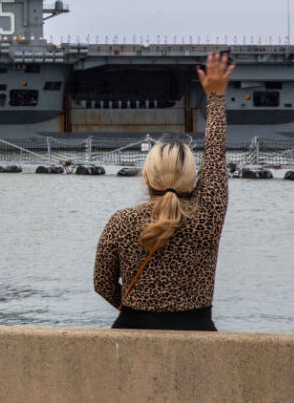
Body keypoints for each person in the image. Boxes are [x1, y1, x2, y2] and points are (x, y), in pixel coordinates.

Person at [94, 52, 235, 331]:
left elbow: (102, 283)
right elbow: (216, 154)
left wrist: (137, 305)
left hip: (132, 331)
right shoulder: (208, 215)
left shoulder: (121, 222)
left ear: (146, 175)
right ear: (194, 179)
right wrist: (216, 97)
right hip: (197, 333)